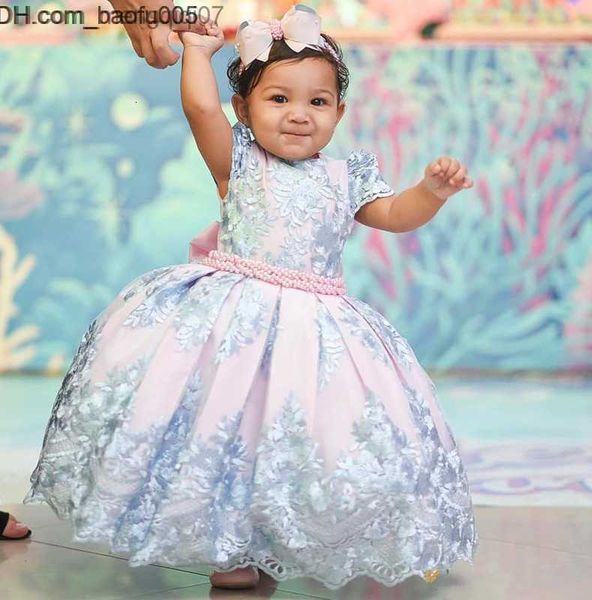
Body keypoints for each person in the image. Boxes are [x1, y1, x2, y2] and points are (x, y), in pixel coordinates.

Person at [24, 3, 478, 591]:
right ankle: (228, 548)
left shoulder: (347, 177)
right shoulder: (238, 160)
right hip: (233, 328)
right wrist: (196, 54)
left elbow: (394, 215)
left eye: (317, 102)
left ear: (339, 113)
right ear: (244, 108)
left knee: (301, 440)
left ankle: (289, 537)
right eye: (278, 99)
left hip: (316, 337)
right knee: (225, 437)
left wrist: (431, 192)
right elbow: (199, 106)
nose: (298, 115)